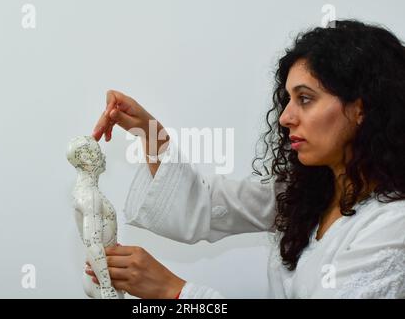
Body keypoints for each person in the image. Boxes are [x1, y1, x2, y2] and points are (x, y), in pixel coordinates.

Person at [86, 20, 405, 298]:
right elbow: (206, 205)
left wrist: (176, 291)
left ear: (361, 108)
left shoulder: (393, 224)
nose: (285, 117)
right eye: (288, 99)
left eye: (305, 99)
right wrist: (149, 132)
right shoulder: (308, 196)